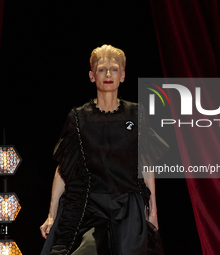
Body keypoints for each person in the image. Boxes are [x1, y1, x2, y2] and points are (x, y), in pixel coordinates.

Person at [40, 45, 166, 255]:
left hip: (127, 206)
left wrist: (153, 211)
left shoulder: (136, 114)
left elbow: (146, 164)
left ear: (122, 76)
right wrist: (51, 214)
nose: (108, 74)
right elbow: (65, 169)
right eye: (101, 69)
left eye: (114, 69)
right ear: (92, 76)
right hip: (90, 205)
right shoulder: (79, 117)